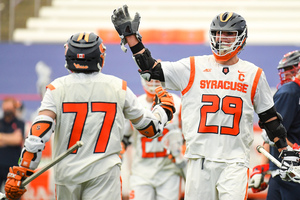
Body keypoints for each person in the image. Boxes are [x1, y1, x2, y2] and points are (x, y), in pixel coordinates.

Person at [111, 6, 289, 199]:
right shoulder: (193, 66)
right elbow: (150, 70)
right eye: (217, 34)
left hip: (234, 162)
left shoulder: (254, 74)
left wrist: (284, 150)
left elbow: (269, 118)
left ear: (241, 37)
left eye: (229, 34)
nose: (221, 39)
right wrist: (132, 39)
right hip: (199, 159)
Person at [4, 32, 176, 200]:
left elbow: (37, 135)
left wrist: (22, 171)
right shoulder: (119, 87)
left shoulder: (56, 88)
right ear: (99, 57)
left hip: (67, 174)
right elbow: (150, 128)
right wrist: (163, 110)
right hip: (104, 176)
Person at [122, 78, 186, 200]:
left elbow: (188, 135)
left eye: (157, 79)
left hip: (169, 171)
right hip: (141, 172)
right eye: (150, 79)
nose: (153, 83)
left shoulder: (178, 104)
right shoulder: (136, 104)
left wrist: (183, 148)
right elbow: (123, 137)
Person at [249, 50, 300, 200]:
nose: (287, 74)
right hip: (290, 173)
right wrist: (262, 168)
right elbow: (271, 132)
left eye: (290, 69)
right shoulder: (290, 92)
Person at [0, 97, 25, 192]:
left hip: (13, 167)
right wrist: (11, 137)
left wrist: (2, 137)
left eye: (10, 108)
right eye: (6, 108)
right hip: (0, 164)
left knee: (14, 193)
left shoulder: (19, 123)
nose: (8, 110)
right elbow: (14, 138)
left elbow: (18, 140)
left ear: (14, 109)